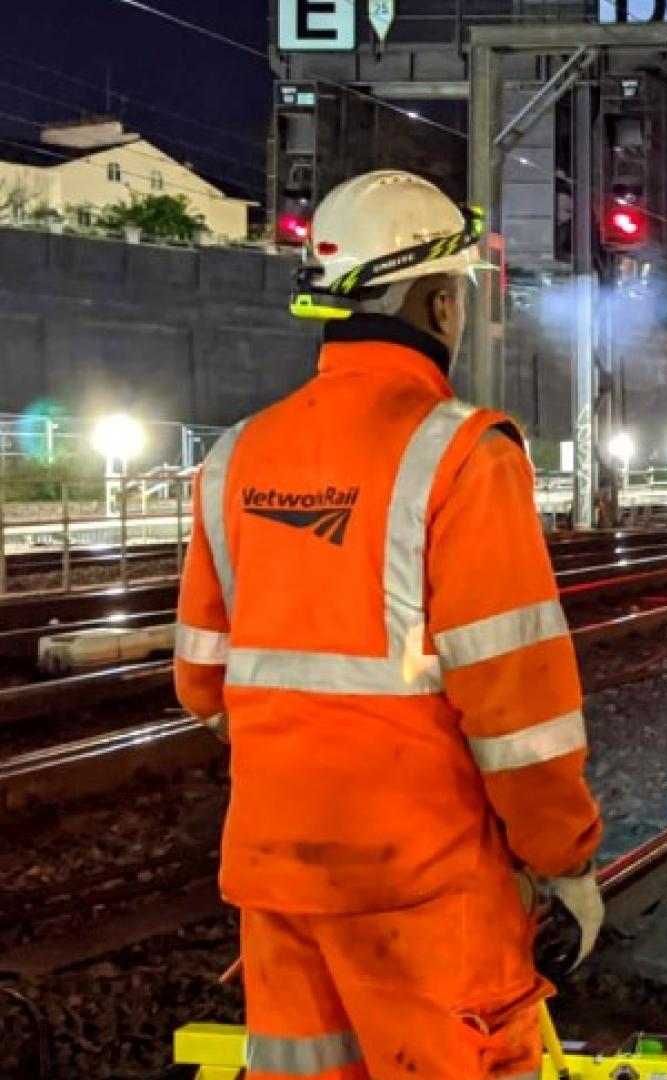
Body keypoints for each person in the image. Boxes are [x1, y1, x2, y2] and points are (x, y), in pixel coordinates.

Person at [173, 170, 603, 1080]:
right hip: (426, 888)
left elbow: (203, 680)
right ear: (440, 301)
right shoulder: (463, 455)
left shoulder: (233, 458)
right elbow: (518, 716)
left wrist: (308, 767)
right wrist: (563, 861)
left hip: (277, 879)